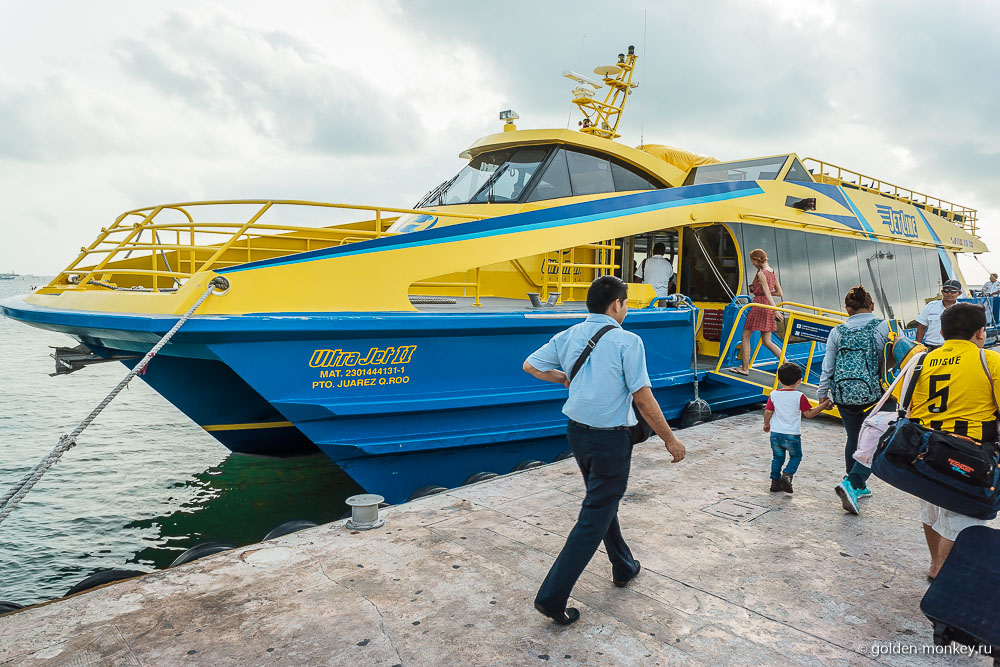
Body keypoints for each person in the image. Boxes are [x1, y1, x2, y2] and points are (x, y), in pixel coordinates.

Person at [523, 275, 686, 625]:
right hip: (610, 439)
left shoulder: (568, 335)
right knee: (593, 515)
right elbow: (643, 397)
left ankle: (623, 566)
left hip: (577, 433)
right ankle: (551, 597)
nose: (626, 309)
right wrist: (670, 440)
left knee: (601, 503)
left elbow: (531, 365)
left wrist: (563, 379)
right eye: (626, 303)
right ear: (617, 305)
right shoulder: (628, 341)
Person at [904, 303, 1000, 579]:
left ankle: (935, 566)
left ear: (943, 332)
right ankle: (946, 579)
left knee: (931, 510)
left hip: (923, 450)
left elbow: (906, 404)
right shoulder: (990, 360)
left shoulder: (921, 360)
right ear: (981, 332)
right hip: (967, 452)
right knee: (961, 520)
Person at [817, 286, 892, 514]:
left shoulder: (837, 330)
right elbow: (887, 360)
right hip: (874, 395)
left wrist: (823, 393)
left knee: (853, 437)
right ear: (872, 306)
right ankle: (855, 483)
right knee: (878, 437)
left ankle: (856, 483)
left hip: (843, 394)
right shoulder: (882, 326)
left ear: (847, 309)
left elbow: (828, 364)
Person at [763, 363, 832, 493]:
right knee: (796, 456)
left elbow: (767, 412)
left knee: (777, 458)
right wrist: (825, 404)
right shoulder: (799, 396)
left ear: (778, 379)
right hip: (792, 435)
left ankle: (774, 483)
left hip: (776, 434)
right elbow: (809, 413)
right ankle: (787, 475)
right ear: (799, 381)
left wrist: (766, 424)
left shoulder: (773, 394)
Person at [731, 248, 784, 375]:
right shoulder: (772, 272)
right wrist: (770, 304)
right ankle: (786, 363)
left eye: (753, 261)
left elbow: (767, 293)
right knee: (766, 341)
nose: (753, 264)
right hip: (767, 307)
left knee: (745, 335)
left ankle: (744, 368)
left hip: (759, 305)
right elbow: (779, 292)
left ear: (757, 259)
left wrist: (775, 310)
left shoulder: (761, 274)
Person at [915, 279, 963, 350]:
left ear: (959, 293)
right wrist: (917, 348)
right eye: (946, 290)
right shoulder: (930, 306)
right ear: (942, 292)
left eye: (953, 291)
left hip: (954, 348)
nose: (949, 293)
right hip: (932, 348)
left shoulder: (963, 309)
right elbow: (921, 328)